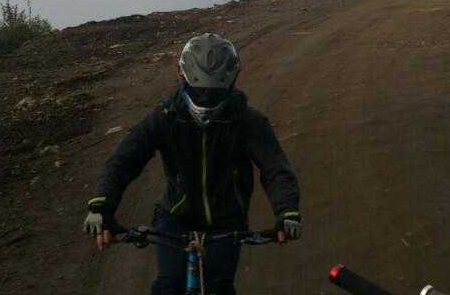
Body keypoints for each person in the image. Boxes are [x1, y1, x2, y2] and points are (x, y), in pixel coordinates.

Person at [83, 33, 301, 294]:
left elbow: (275, 167)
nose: (206, 97)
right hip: (175, 215)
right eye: (199, 89)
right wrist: (102, 205)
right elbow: (124, 159)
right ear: (180, 76)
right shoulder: (165, 117)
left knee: (219, 285)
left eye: (213, 91)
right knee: (168, 284)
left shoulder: (247, 121)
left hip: (226, 220)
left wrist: (286, 211)